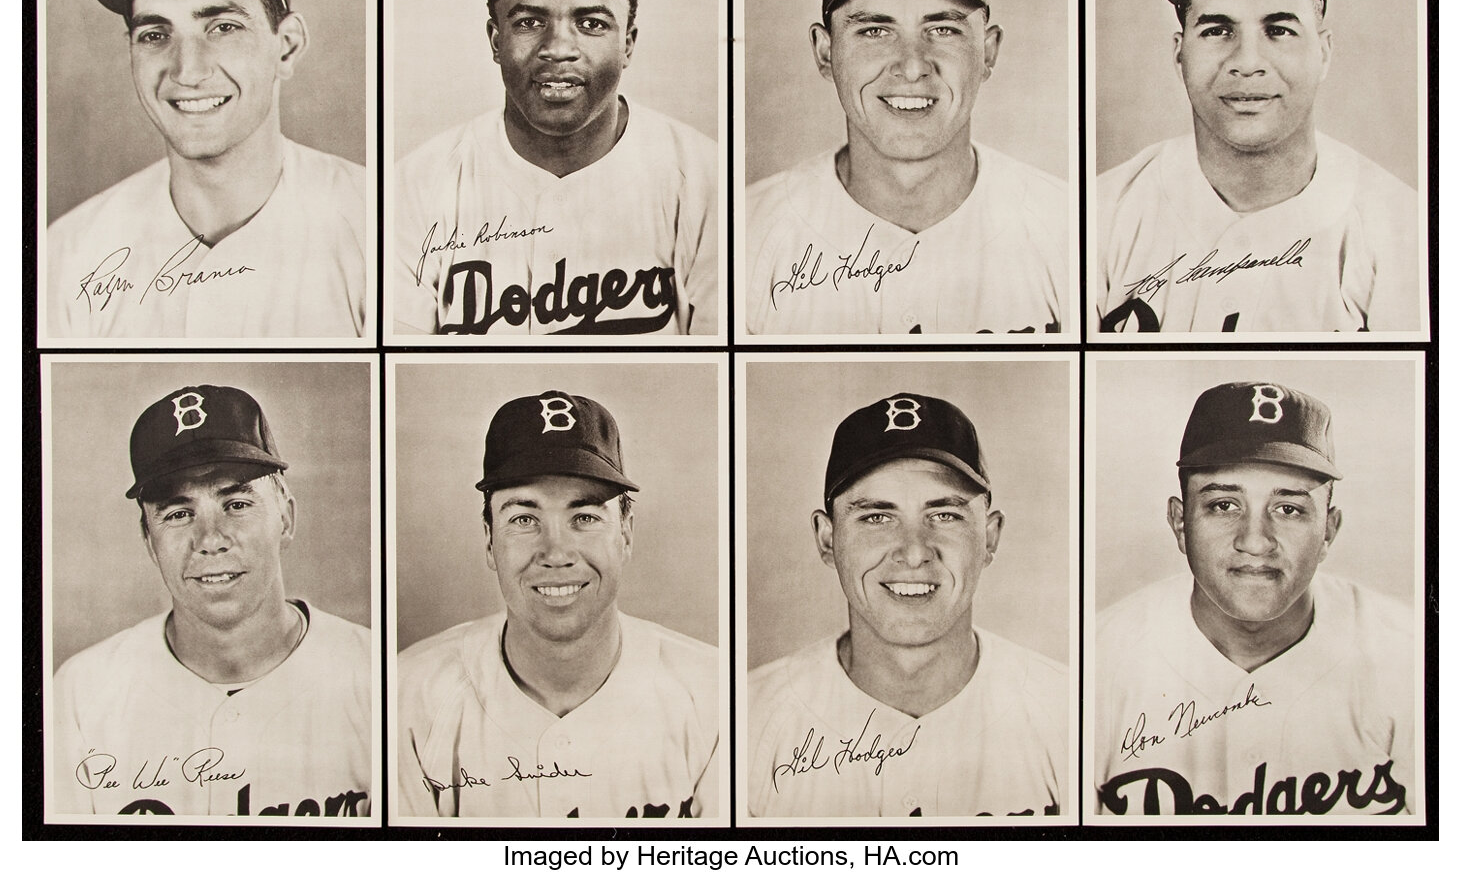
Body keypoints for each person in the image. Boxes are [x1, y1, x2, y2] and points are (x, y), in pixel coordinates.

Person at [394, 0, 717, 336]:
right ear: (495, 40)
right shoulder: (416, 185)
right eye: (529, 21)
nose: (558, 47)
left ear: (629, 44)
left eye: (592, 23)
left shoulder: (706, 178)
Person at [46, 0, 370, 339]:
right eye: (155, 35)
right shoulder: (65, 252)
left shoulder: (377, 227)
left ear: (287, 48)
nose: (188, 71)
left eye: (223, 27)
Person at [1093, 0, 1420, 334]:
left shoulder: (1407, 230)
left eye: (1279, 30)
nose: (1247, 63)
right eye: (1216, 30)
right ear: (1180, 54)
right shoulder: (1099, 215)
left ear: (1323, 52)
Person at [1092, 381, 1414, 816]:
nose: (1256, 542)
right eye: (1224, 505)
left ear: (1328, 532)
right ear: (1179, 522)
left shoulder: (1415, 657)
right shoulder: (1097, 664)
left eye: (1289, 509)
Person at [51, 385, 372, 817]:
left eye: (236, 503)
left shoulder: (378, 679)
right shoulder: (79, 695)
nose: (210, 540)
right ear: (149, 540)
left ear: (286, 519)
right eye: (178, 514)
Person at [744, 0, 1068, 336]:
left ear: (987, 52)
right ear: (826, 52)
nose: (912, 66)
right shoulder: (745, 234)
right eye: (875, 30)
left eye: (943, 29)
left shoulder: (1069, 228)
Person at [396, 391, 718, 818]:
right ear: (490, 541)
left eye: (584, 517)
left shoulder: (716, 695)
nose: (556, 551)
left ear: (626, 534)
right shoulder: (406, 696)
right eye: (524, 519)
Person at [746, 393, 1066, 817]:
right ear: (827, 539)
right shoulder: (744, 721)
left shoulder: (1069, 714)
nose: (914, 552)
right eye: (877, 517)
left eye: (945, 515)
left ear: (989, 538)